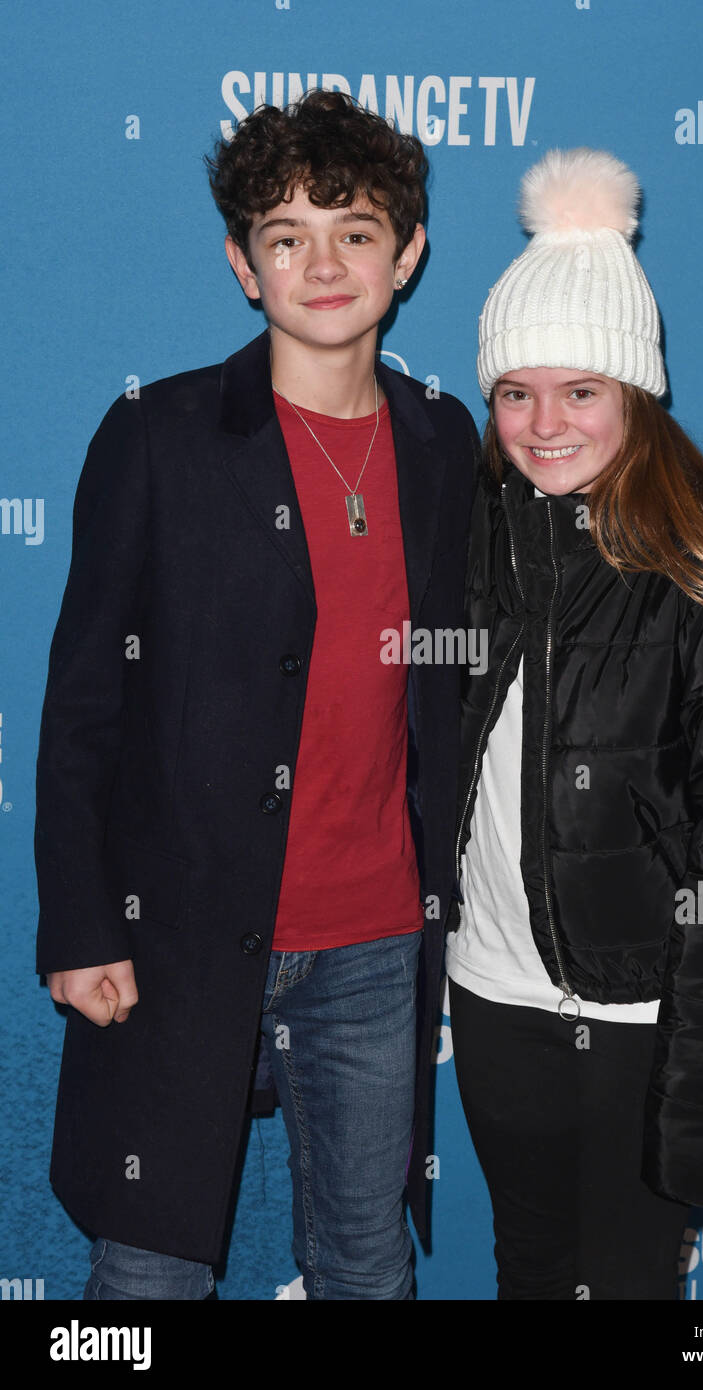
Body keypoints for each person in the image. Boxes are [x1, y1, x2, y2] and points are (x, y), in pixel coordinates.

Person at [35, 89, 477, 1300]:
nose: (323, 263)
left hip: (379, 941)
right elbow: (80, 706)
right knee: (145, 1272)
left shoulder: (445, 442)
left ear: (410, 253)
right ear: (243, 265)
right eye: (287, 236)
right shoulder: (158, 436)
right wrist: (78, 922)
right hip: (176, 934)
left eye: (355, 230)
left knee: (366, 1262)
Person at [446, 146, 703, 1300]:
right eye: (516, 390)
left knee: (626, 1286)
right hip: (495, 1002)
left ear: (637, 395)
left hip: (641, 1027)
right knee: (528, 1269)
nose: (543, 421)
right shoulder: (476, 547)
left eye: (580, 390)